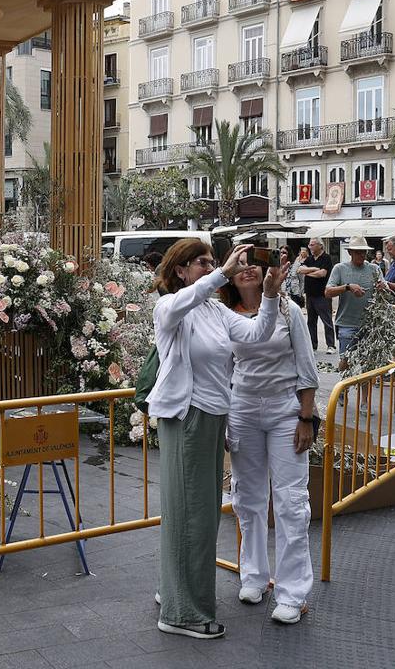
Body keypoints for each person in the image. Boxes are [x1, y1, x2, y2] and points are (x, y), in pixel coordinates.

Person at [148, 240, 286, 640]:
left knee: (194, 511)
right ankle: (183, 613)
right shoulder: (171, 306)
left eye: (213, 261)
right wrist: (222, 274)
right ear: (181, 270)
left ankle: (174, 592)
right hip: (188, 416)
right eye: (203, 263)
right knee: (193, 514)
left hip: (212, 417)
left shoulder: (214, 310)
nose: (213, 267)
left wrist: (272, 295)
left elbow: (257, 332)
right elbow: (179, 305)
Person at [223, 261, 318, 624]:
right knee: (247, 497)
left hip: (284, 411)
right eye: (240, 265)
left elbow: (307, 365)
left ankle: (293, 592)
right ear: (230, 274)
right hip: (243, 409)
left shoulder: (287, 309)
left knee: (292, 503)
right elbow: (223, 367)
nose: (247, 270)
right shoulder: (226, 313)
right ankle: (254, 575)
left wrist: (306, 417)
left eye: (254, 264)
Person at [325, 236, 380, 375]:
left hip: (370, 326)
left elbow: (383, 288)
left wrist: (382, 288)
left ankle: (364, 398)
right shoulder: (339, 268)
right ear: (350, 253)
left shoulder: (374, 269)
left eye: (364, 252)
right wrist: (348, 287)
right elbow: (328, 292)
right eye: (358, 252)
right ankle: (342, 393)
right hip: (346, 324)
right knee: (345, 361)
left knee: (367, 365)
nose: (362, 255)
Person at [297, 239, 335, 354]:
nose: (310, 247)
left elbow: (322, 274)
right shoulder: (310, 259)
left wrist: (307, 273)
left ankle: (331, 345)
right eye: (309, 244)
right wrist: (313, 269)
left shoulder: (326, 258)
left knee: (326, 320)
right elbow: (299, 270)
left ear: (320, 246)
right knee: (311, 321)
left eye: (312, 245)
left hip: (322, 294)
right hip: (310, 294)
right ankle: (313, 345)